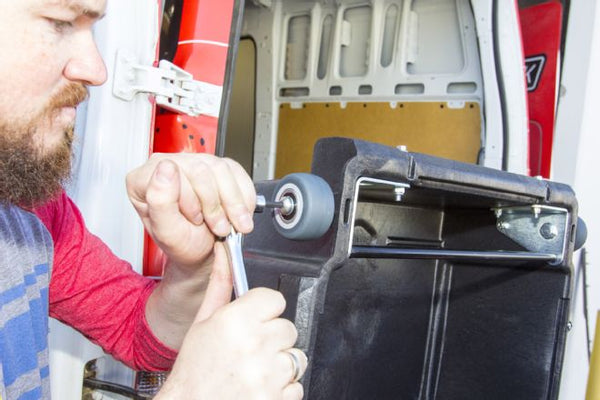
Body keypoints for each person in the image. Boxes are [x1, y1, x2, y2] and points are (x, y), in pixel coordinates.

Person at [0, 0, 307, 399]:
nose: (96, 70)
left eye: (90, 29)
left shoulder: (31, 211)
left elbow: (137, 333)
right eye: (60, 23)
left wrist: (191, 267)